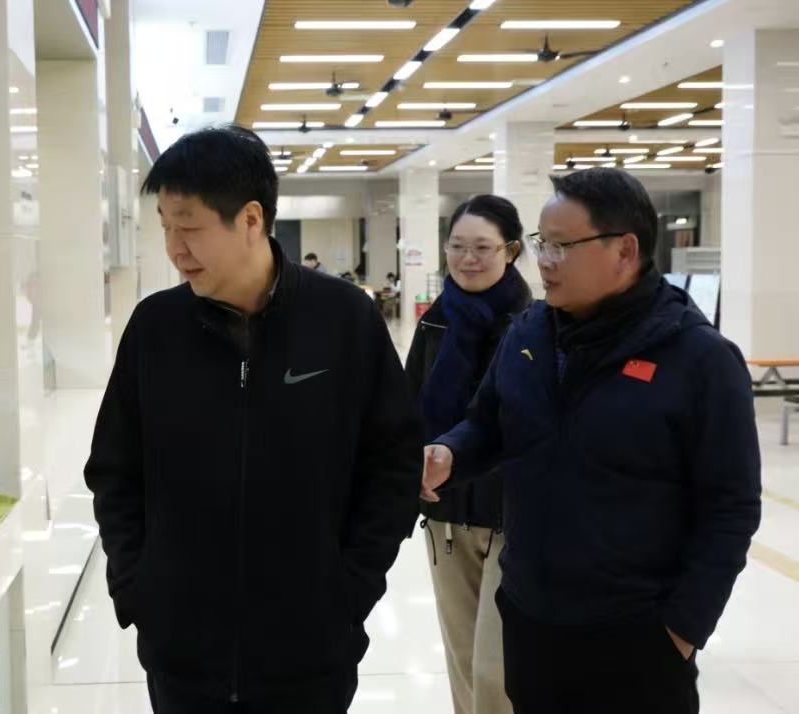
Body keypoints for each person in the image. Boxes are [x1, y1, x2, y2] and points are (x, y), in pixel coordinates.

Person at [84, 125, 421, 714]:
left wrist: (349, 590)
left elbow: (392, 463)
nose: (174, 249)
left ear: (249, 219)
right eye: (165, 228)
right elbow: (115, 468)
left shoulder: (344, 320)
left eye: (189, 228)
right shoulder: (155, 329)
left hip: (311, 653)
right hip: (182, 655)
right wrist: (138, 588)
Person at [421, 168, 762, 714]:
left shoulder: (699, 359)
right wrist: (452, 452)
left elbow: (731, 507)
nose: (544, 261)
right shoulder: (528, 334)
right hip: (531, 621)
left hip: (636, 638)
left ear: (624, 250)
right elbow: (488, 424)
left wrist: (681, 631)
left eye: (562, 246)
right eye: (542, 243)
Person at [405, 195, 532, 714]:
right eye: (457, 246)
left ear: (512, 250)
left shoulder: (532, 325)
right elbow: (409, 405)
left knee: (494, 669)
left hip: (511, 517)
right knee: (462, 661)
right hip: (446, 514)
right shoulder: (437, 321)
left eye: (482, 247)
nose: (467, 259)